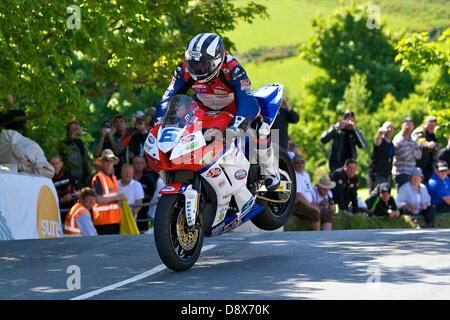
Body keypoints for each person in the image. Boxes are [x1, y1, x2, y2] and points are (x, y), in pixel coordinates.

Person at [155, 33, 280, 191]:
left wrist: (238, 124)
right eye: (194, 63)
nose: (197, 68)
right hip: (203, 107)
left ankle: (269, 171)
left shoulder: (232, 68)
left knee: (261, 128)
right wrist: (160, 121)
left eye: (202, 64)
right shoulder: (184, 69)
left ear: (216, 61)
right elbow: (169, 95)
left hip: (233, 106)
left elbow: (247, 98)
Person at [91, 149, 126, 235]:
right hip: (103, 222)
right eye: (106, 160)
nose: (109, 163)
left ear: (113, 163)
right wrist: (117, 197)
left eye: (111, 161)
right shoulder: (98, 178)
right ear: (101, 162)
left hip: (114, 220)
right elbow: (98, 199)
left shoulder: (113, 178)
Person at [392, 117, 422, 189]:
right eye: (407, 127)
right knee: (403, 197)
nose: (408, 129)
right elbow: (406, 157)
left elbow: (419, 155)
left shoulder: (411, 139)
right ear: (402, 126)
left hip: (411, 173)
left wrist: (411, 151)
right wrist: (414, 151)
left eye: (410, 127)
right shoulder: (398, 139)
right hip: (402, 173)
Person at [58, 121, 90, 188]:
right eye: (74, 129)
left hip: (83, 176)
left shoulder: (80, 143)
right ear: (68, 131)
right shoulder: (64, 144)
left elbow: (85, 159)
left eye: (77, 129)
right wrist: (72, 138)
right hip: (70, 176)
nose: (76, 131)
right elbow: (64, 155)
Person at [292, 155, 320, 230]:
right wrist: (312, 207)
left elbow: (309, 191)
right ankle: (317, 238)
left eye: (302, 162)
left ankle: (325, 235)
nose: (300, 165)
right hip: (297, 204)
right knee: (315, 213)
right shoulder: (294, 175)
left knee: (326, 210)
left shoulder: (306, 174)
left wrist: (314, 204)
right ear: (293, 165)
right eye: (297, 163)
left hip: (308, 203)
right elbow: (298, 196)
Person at [368, 121, 395, 194]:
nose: (389, 129)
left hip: (386, 175)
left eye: (391, 127)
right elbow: (377, 141)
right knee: (375, 196)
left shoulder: (392, 145)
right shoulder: (381, 140)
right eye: (387, 127)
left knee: (385, 196)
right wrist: (379, 133)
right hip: (377, 174)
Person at [49, 155, 78, 221]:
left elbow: (77, 192)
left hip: (71, 212)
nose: (55, 166)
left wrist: (76, 194)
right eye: (52, 164)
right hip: (55, 214)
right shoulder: (46, 180)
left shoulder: (70, 177)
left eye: (57, 163)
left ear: (61, 164)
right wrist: (61, 200)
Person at [412, 116, 439, 182]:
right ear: (425, 123)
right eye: (431, 125)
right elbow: (420, 142)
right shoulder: (419, 131)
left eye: (434, 126)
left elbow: (437, 145)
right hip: (417, 165)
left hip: (428, 166)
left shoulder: (433, 135)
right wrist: (427, 144)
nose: (432, 127)